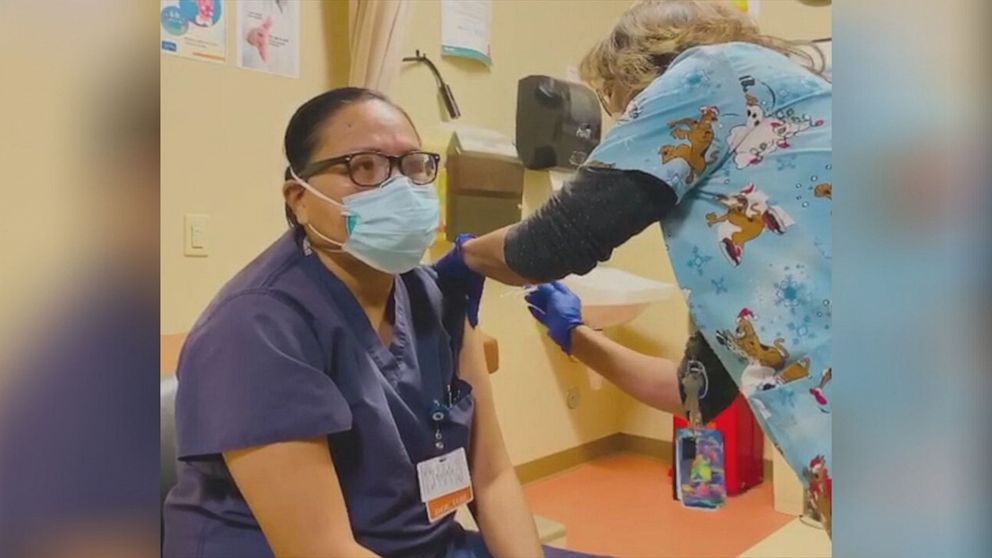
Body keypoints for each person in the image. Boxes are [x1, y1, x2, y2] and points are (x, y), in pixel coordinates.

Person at [435, 0, 831, 534]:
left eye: (626, 108)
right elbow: (695, 396)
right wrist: (574, 334)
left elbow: (551, 243)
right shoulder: (773, 139)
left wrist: (464, 258)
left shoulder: (708, 71)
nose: (629, 128)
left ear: (644, 69)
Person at [163, 88, 589, 558]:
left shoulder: (437, 295)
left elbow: (492, 477)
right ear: (299, 198)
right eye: (364, 167)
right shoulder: (258, 328)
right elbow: (321, 549)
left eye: (413, 166)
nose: (399, 187)